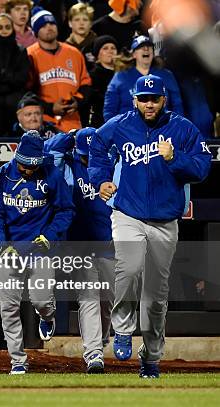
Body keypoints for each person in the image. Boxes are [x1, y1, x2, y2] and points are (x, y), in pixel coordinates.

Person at [88, 75, 211, 378]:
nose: (149, 104)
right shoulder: (121, 124)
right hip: (127, 213)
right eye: (143, 98)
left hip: (165, 222)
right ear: (135, 100)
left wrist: (175, 158)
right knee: (127, 269)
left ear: (163, 100)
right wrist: (100, 179)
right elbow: (97, 147)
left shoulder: (182, 128)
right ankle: (122, 329)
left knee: (156, 297)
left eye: (154, 99)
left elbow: (202, 167)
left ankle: (151, 357)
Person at [0, 130, 74, 374]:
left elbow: (66, 210)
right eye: (24, 165)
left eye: (32, 165)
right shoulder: (1, 176)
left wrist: (50, 235)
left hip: (40, 249)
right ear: (17, 156)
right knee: (9, 307)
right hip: (11, 250)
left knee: (42, 300)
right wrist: (2, 246)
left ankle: (47, 317)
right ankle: (17, 360)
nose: (27, 170)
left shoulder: (52, 175)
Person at [44, 127, 116, 373]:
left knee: (110, 301)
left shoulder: (112, 162)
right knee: (88, 298)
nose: (87, 158)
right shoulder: (67, 165)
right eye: (83, 153)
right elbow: (48, 152)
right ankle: (94, 353)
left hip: (109, 242)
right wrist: (69, 135)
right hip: (79, 244)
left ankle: (102, 338)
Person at [27, 6, 91, 132]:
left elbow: (86, 84)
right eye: (43, 25)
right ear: (36, 31)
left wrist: (77, 102)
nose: (49, 27)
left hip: (72, 122)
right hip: (42, 122)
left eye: (52, 23)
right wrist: (50, 108)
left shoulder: (74, 53)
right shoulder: (30, 55)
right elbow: (26, 92)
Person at [103, 35, 183, 122]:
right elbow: (109, 110)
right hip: (128, 130)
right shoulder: (120, 77)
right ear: (134, 54)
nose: (146, 49)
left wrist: (175, 126)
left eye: (149, 47)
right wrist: (115, 131)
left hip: (161, 128)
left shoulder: (166, 75)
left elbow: (177, 105)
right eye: (141, 47)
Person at [0, 13, 29, 137]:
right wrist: (9, 77)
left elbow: (22, 79)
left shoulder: (20, 50)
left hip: (14, 106)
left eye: (7, 27)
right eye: (0, 27)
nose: (4, 30)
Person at [86, 35, 117, 127]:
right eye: (105, 48)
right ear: (97, 54)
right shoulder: (92, 75)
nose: (110, 51)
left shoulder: (123, 74)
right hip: (101, 122)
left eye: (113, 48)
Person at [65, 2, 96, 69]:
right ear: (70, 23)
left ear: (90, 23)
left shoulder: (98, 45)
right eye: (77, 20)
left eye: (85, 20)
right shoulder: (64, 48)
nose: (81, 23)